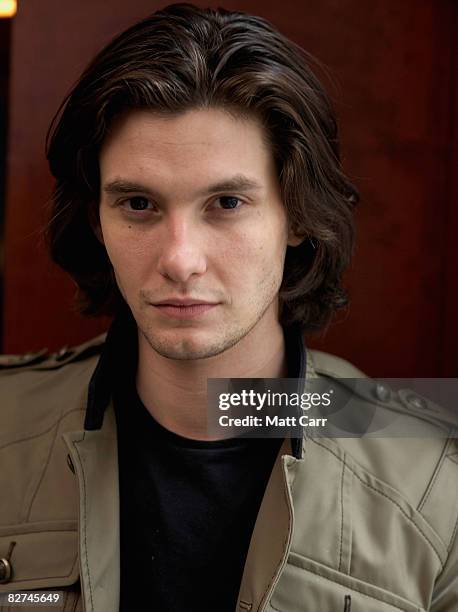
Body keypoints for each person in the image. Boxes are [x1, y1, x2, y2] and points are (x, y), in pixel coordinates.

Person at [0, 3, 456, 611]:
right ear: (98, 221)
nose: (180, 259)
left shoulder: (434, 479)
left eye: (227, 203)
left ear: (296, 216)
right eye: (138, 203)